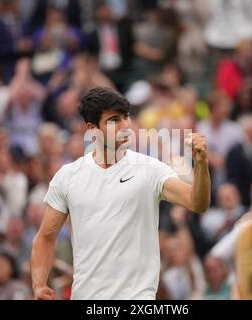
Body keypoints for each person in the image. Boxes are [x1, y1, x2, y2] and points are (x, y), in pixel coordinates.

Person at [31, 87, 211, 300]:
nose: (125, 126)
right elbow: (45, 237)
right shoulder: (68, 177)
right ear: (92, 128)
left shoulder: (150, 169)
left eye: (126, 117)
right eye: (114, 120)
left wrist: (201, 164)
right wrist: (39, 284)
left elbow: (196, 202)